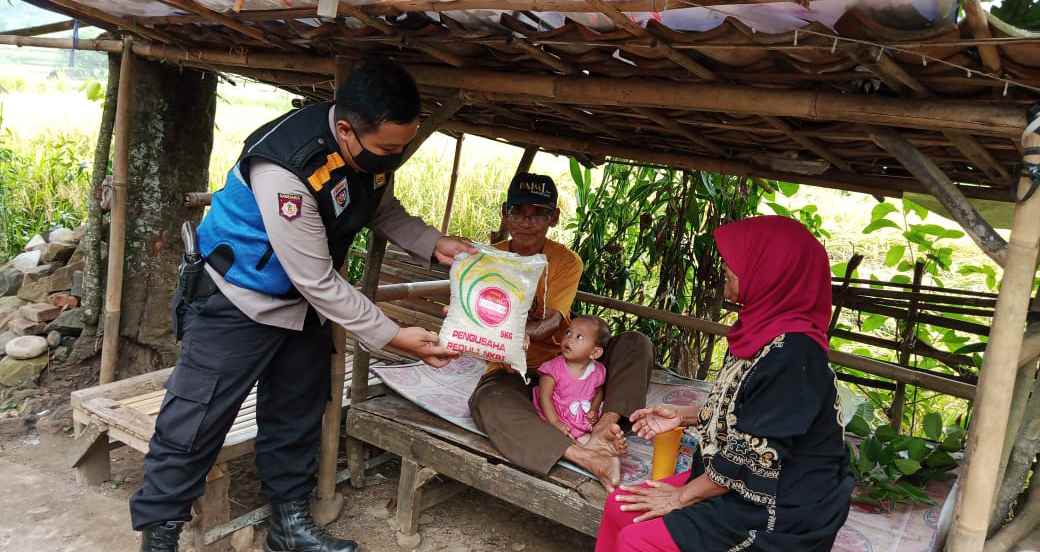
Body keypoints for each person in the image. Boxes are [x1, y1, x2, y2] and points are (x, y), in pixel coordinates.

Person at [130, 59, 475, 552]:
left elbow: (380, 208)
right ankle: (160, 533)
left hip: (300, 306)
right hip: (237, 298)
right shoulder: (286, 169)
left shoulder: (368, 154)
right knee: (196, 417)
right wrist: (392, 336)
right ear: (345, 130)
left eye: (401, 149)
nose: (392, 160)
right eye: (386, 150)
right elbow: (315, 278)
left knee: (297, 410)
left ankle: (288, 525)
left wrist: (432, 243)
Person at [596, 215, 853, 552]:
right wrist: (684, 415)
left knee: (640, 540)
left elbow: (753, 454)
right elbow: (749, 408)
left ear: (770, 269)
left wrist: (681, 497)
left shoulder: (793, 354)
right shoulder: (761, 328)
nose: (726, 266)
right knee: (620, 505)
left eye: (740, 259)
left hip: (777, 503)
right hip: (738, 482)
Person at [468, 172, 656, 492]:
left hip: (569, 360)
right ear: (505, 212)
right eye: (518, 212)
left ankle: (603, 429)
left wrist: (524, 332)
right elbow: (475, 316)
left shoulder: (566, 261)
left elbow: (555, 320)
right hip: (515, 371)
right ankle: (589, 457)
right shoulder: (486, 259)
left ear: (553, 218)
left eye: (538, 214)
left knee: (636, 343)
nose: (527, 222)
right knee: (488, 401)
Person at [533, 315, 611, 444]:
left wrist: (594, 409)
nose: (569, 338)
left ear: (595, 352)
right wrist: (556, 422)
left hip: (579, 419)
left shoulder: (597, 371)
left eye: (579, 337)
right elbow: (544, 397)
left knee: (589, 440)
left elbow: (598, 391)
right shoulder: (553, 369)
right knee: (556, 437)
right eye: (568, 332)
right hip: (553, 415)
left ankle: (591, 447)